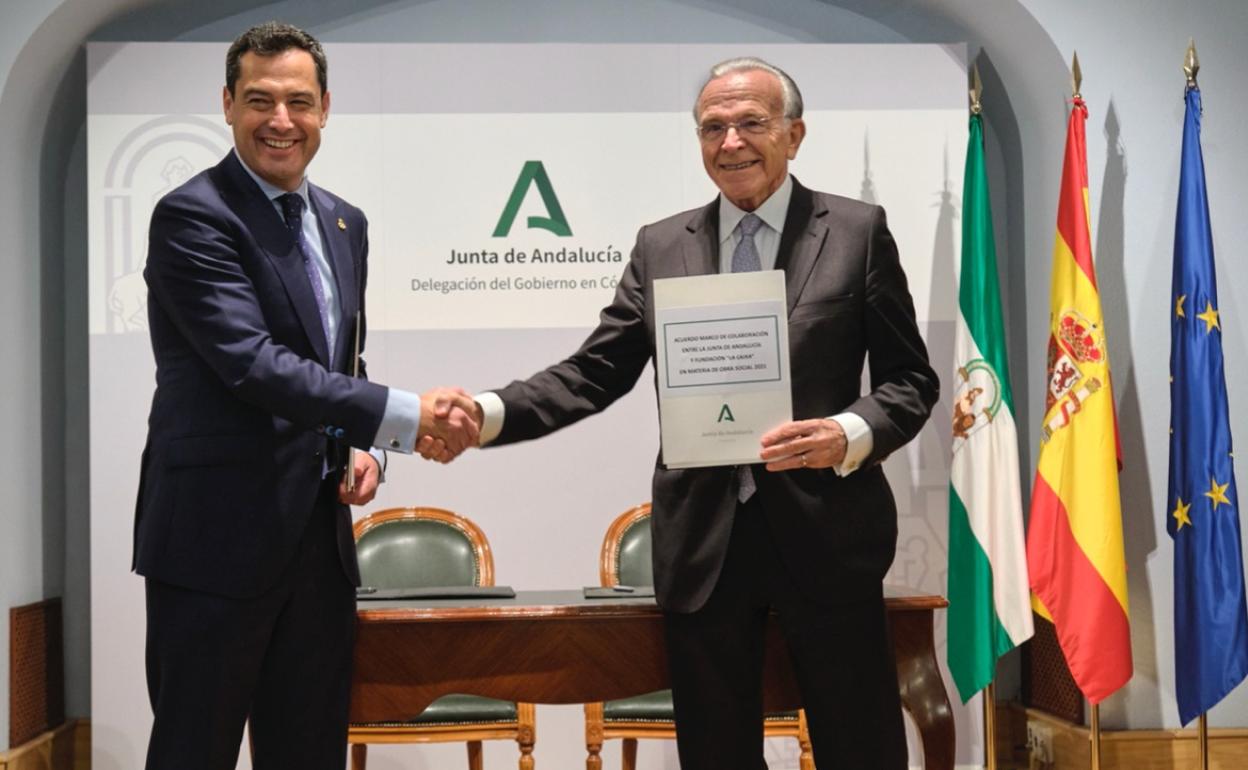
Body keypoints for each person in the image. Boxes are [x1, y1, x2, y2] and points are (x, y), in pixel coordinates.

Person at [467, 58, 938, 769]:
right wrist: (487, 413)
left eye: (751, 122)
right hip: (705, 547)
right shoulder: (662, 245)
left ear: (794, 134)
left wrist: (845, 433)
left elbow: (910, 381)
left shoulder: (855, 231)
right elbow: (595, 372)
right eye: (712, 127)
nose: (731, 142)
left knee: (860, 750)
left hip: (828, 539)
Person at [134, 22, 477, 770]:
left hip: (320, 548)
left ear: (325, 108)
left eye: (299, 101)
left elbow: (340, 362)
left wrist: (363, 447)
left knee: (309, 753)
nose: (280, 121)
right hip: (213, 543)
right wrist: (405, 416)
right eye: (260, 100)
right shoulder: (193, 215)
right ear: (228, 104)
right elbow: (253, 364)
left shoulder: (345, 221)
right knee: (194, 751)